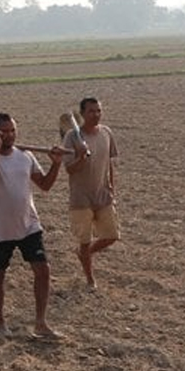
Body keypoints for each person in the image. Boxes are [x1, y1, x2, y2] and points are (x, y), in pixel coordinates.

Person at [0, 113, 64, 338]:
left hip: (28, 224)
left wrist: (56, 165)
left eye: (13, 130)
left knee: (43, 270)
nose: (10, 135)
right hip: (0, 228)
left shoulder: (26, 156)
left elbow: (44, 184)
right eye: (4, 131)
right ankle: (0, 321)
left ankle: (41, 323)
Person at [63, 97, 119, 290]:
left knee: (111, 236)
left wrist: (112, 185)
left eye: (98, 111)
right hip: (81, 199)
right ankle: (90, 279)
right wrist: (81, 156)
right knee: (85, 241)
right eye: (91, 111)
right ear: (83, 114)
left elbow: (109, 162)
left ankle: (83, 254)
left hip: (102, 195)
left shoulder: (106, 133)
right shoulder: (72, 137)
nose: (96, 114)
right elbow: (70, 169)